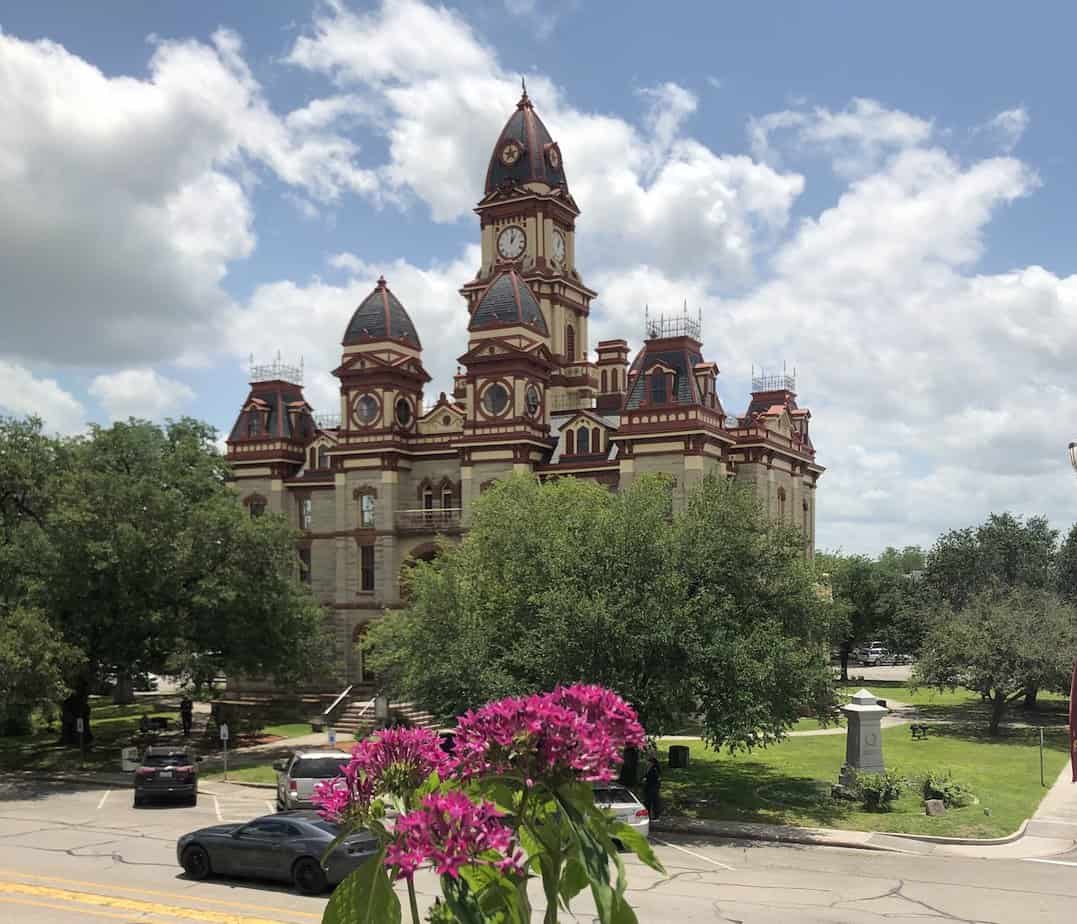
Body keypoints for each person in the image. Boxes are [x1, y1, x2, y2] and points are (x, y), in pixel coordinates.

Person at [643, 755, 661, 821]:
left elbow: (654, 779)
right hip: (650, 788)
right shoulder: (651, 768)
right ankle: (649, 816)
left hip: (652, 788)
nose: (647, 763)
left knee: (653, 802)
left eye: (648, 762)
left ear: (651, 762)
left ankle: (655, 816)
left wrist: (646, 779)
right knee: (649, 802)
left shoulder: (654, 769)